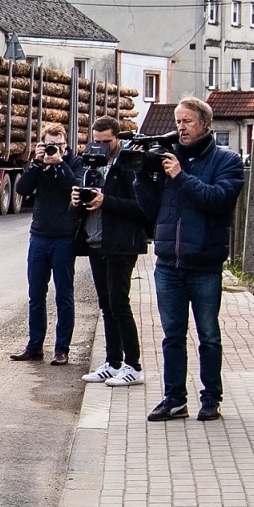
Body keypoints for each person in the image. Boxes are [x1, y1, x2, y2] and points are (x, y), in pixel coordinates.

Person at [149, 96, 245, 422]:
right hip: (168, 263)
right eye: (178, 121)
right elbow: (150, 209)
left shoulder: (227, 160)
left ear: (205, 123)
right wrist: (142, 175)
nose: (181, 127)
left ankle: (211, 398)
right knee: (172, 336)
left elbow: (219, 199)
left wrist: (181, 176)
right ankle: (174, 399)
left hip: (204, 264)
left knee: (209, 336)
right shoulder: (168, 159)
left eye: (187, 121)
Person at [73, 116, 160, 390]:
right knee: (106, 305)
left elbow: (143, 208)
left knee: (119, 303)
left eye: (106, 141)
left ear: (117, 138)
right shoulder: (91, 164)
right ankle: (112, 362)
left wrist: (106, 200)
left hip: (121, 244)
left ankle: (133, 366)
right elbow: (85, 204)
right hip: (96, 241)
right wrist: (77, 200)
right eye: (96, 141)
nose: (101, 146)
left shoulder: (129, 164)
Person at [11, 122, 84, 365]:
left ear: (65, 144)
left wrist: (60, 164)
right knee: (35, 294)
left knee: (64, 295)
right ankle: (34, 346)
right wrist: (35, 163)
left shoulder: (74, 162)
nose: (55, 149)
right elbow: (22, 189)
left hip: (64, 237)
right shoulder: (39, 164)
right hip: (39, 236)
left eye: (59, 145)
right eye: (50, 145)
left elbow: (75, 188)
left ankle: (62, 349)